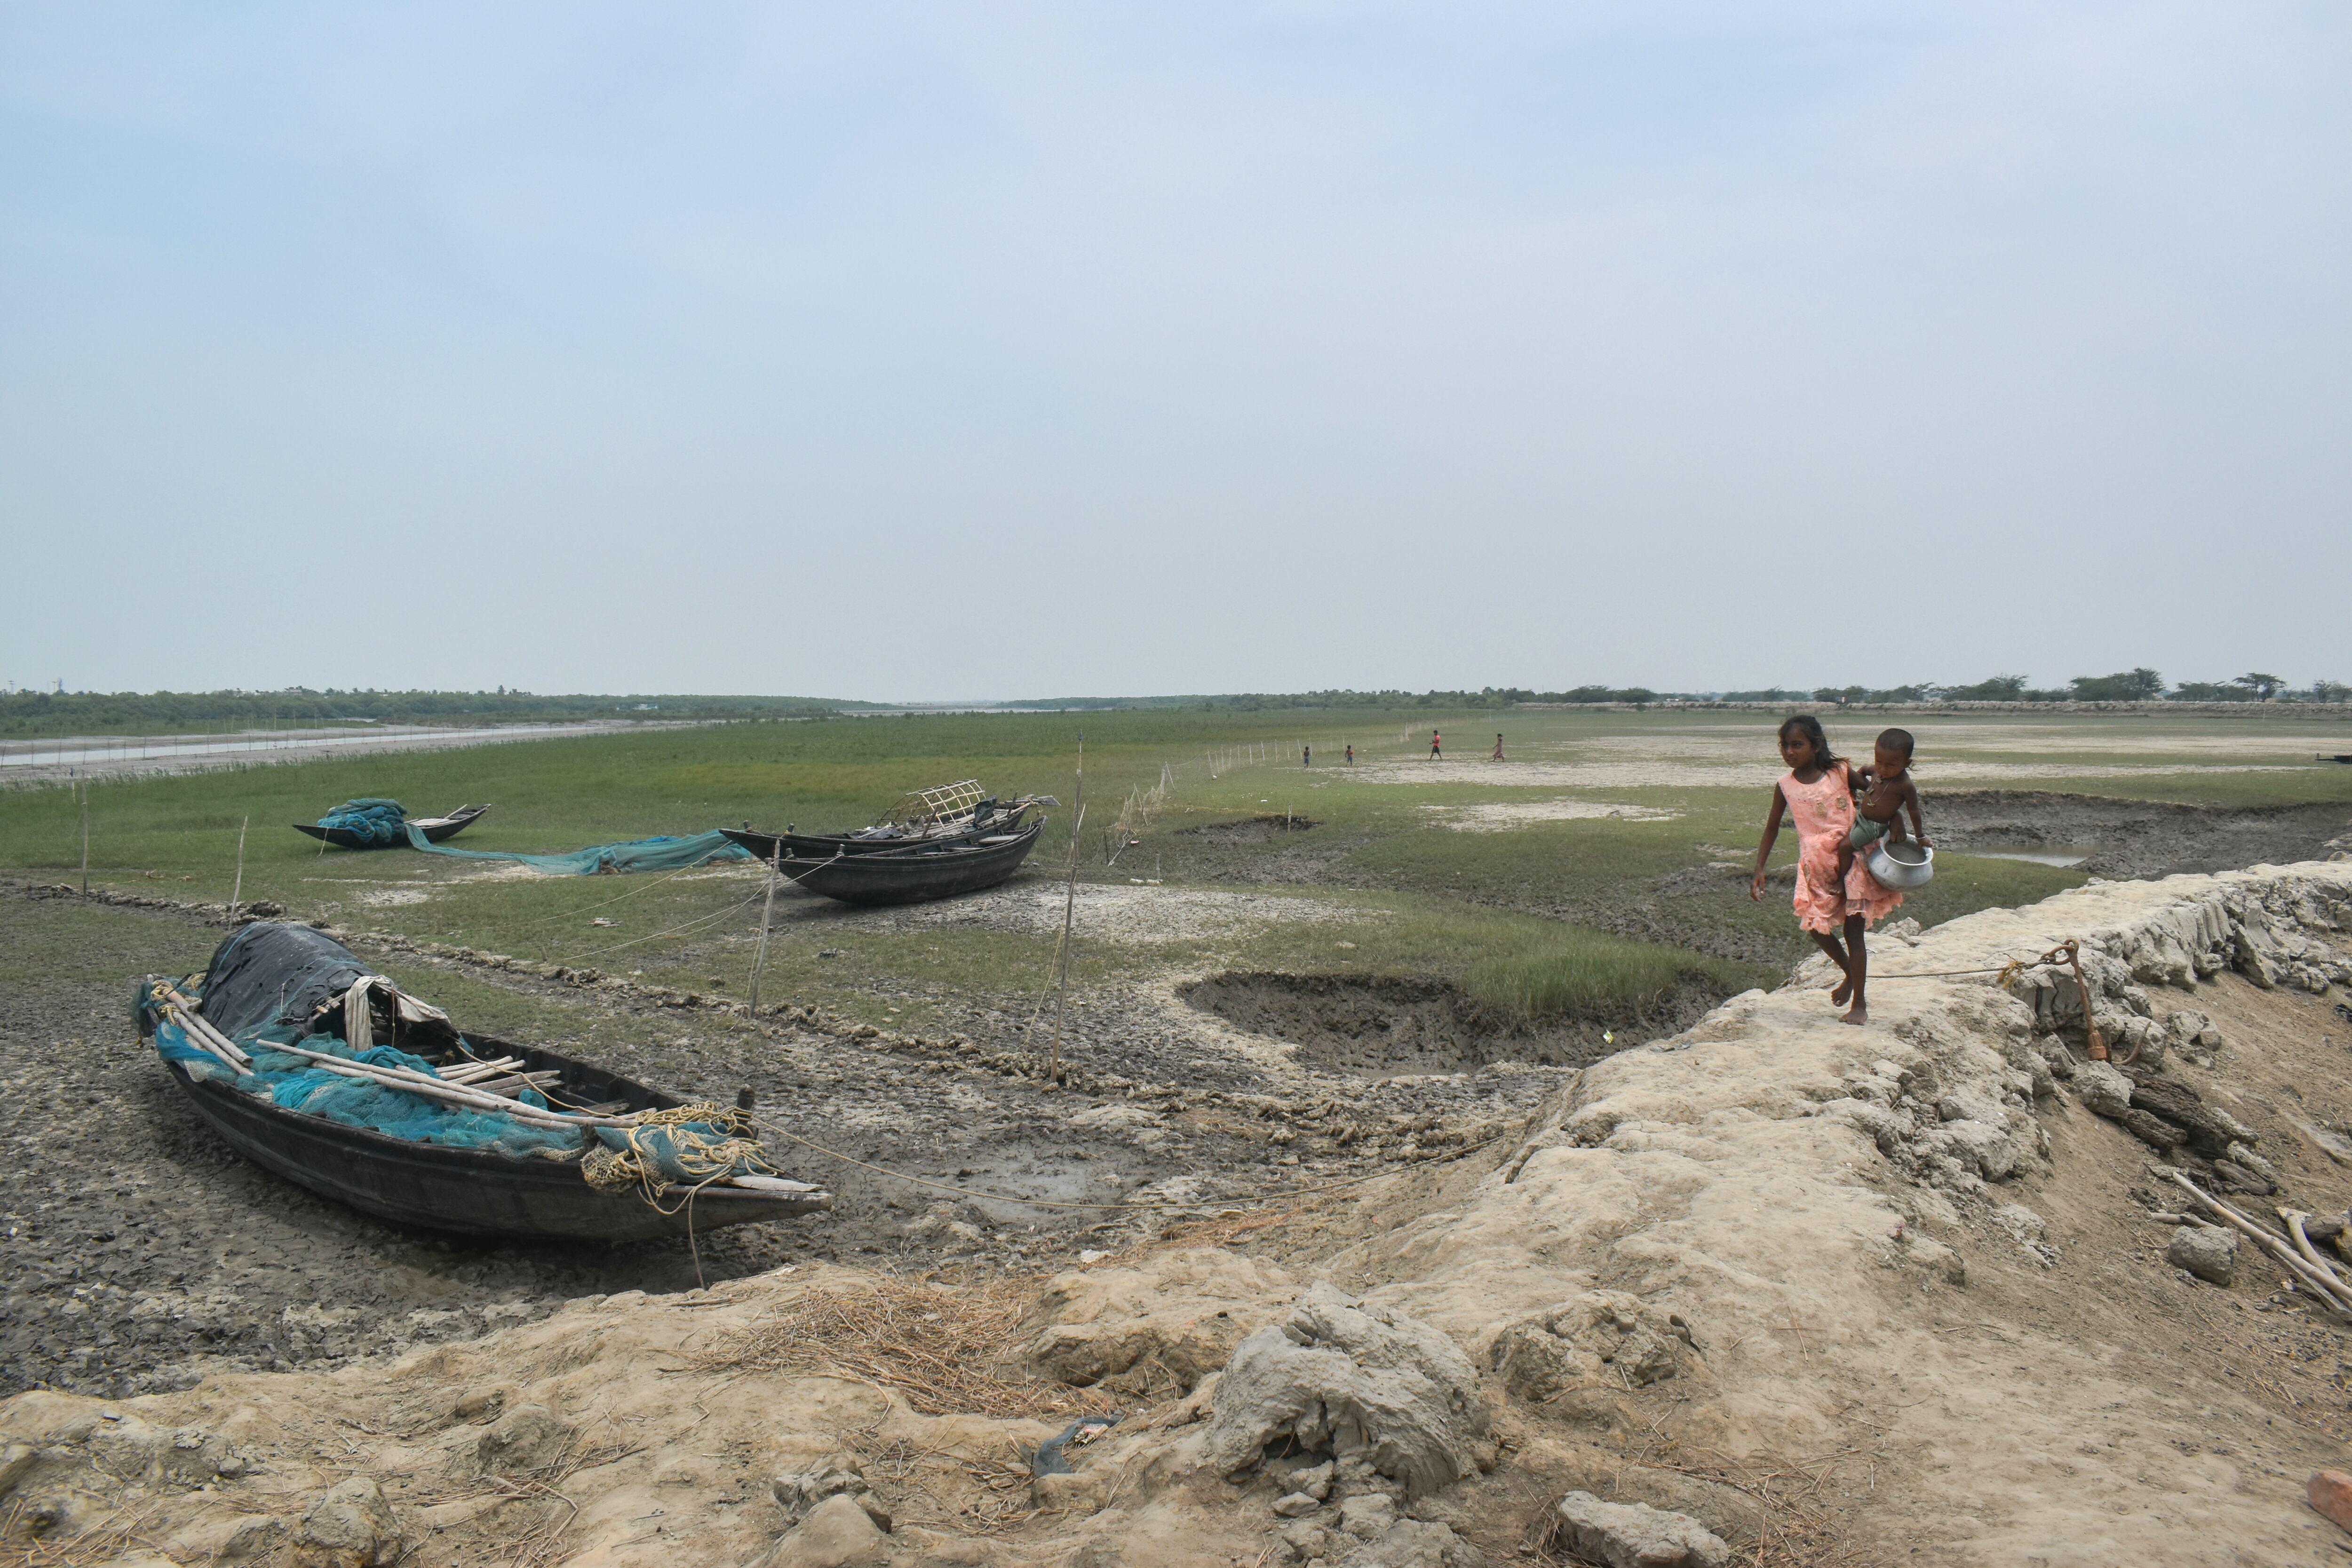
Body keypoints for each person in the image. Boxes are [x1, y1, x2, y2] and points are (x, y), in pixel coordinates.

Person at [1749, 715, 1903, 1025]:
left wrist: (1895, 814)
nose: (1789, 752)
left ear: (1816, 745)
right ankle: (1850, 973)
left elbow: (1877, 796)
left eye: (1797, 745)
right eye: (1784, 745)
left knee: (1854, 931)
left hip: (1853, 856)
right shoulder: (1785, 785)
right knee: (1815, 927)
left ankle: (1859, 1004)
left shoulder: (1840, 772)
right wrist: (1759, 867)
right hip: (1816, 865)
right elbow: (1772, 827)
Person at [1836, 728, 1930, 887]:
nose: (1883, 769)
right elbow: (1863, 771)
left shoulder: (1905, 786)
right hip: (1861, 816)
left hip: (1873, 826)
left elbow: (1914, 811)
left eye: (1891, 765)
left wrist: (1920, 836)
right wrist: (1853, 791)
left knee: (1844, 847)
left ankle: (1840, 882)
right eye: (1879, 761)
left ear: (1906, 763)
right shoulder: (1877, 771)